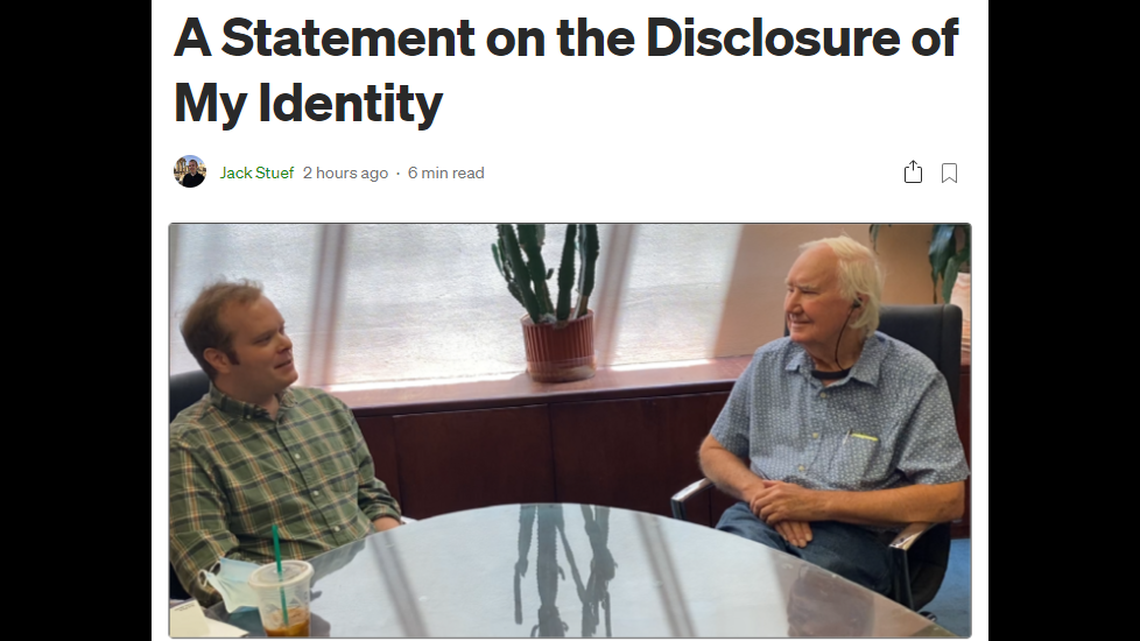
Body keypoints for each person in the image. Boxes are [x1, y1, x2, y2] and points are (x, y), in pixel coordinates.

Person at [699, 236, 968, 596]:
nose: (791, 306)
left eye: (807, 292)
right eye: (789, 290)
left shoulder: (913, 379)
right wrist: (762, 496)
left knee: (799, 605)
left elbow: (947, 497)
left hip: (852, 539)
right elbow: (714, 450)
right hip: (759, 521)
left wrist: (816, 504)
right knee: (718, 588)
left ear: (856, 306)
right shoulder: (768, 362)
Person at [170, 280, 402, 605]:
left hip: (382, 584)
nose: (287, 344)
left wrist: (399, 552)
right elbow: (212, 574)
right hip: (295, 612)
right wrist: (305, 597)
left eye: (282, 330)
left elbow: (371, 496)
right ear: (220, 359)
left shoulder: (325, 408)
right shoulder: (186, 446)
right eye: (265, 339)